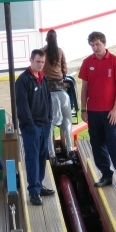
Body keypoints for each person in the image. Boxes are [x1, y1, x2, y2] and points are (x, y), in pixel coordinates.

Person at [79, 31, 116, 188]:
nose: (95, 47)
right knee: (97, 144)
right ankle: (106, 174)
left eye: (97, 44)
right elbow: (84, 88)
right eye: (92, 45)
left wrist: (115, 109)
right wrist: (84, 109)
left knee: (114, 143)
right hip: (93, 112)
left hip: (110, 113)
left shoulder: (115, 61)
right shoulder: (87, 62)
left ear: (104, 43)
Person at [15, 48, 54, 206]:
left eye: (42, 62)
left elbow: (48, 100)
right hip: (31, 127)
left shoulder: (43, 79)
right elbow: (22, 106)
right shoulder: (23, 80)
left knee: (41, 156)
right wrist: (30, 125)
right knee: (32, 158)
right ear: (30, 60)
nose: (40, 65)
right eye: (38, 61)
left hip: (44, 125)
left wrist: (49, 119)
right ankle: (33, 192)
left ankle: (39, 185)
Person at [42, 29, 74, 160]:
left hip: (48, 90)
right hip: (60, 89)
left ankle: (51, 153)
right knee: (67, 121)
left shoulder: (42, 51)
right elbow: (64, 69)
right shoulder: (60, 51)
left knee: (48, 124)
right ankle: (70, 149)